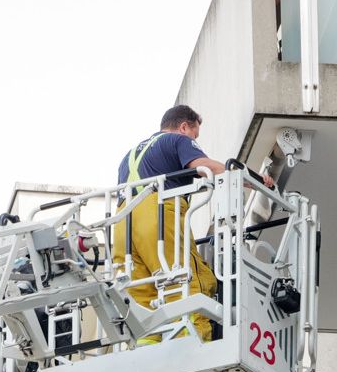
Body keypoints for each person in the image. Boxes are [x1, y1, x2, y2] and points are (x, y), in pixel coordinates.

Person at [113, 105, 270, 342]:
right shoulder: (177, 140)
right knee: (186, 286)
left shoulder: (129, 156)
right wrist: (256, 181)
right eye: (195, 134)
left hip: (122, 223)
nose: (194, 139)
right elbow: (211, 168)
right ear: (184, 126)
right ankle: (194, 346)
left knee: (142, 300)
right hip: (157, 213)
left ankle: (145, 355)